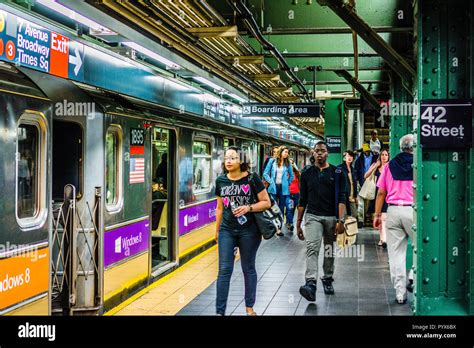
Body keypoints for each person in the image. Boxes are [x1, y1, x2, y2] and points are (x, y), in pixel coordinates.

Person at [214, 146, 271, 316]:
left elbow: (266, 202)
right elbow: (219, 208)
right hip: (227, 231)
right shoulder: (221, 181)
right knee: (224, 269)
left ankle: (249, 307)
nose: (229, 161)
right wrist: (217, 231)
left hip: (250, 231)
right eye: (226, 158)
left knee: (248, 268)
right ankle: (220, 311)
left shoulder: (252, 179)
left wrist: (249, 208)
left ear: (241, 161)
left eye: (233, 158)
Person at [297, 141, 347, 301]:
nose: (319, 153)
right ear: (313, 153)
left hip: (332, 217)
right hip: (312, 216)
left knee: (329, 249)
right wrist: (298, 223)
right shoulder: (306, 174)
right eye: (317, 151)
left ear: (328, 153)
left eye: (322, 151)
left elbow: (342, 198)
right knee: (312, 248)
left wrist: (341, 220)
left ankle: (327, 278)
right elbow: (302, 199)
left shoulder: (338, 172)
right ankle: (310, 283)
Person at [373, 134, 414, 304]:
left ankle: (400, 294)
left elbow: (381, 192)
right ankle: (413, 275)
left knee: (396, 255)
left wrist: (376, 215)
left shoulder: (389, 166)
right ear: (414, 147)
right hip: (413, 211)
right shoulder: (418, 165)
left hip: (393, 211)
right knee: (423, 248)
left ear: (400, 147)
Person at [263, 146, 294, 236]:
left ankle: (279, 228)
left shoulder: (287, 163)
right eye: (285, 152)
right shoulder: (272, 161)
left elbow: (291, 176)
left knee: (281, 208)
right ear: (281, 152)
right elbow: (265, 173)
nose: (287, 154)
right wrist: (270, 181)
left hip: (283, 189)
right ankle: (275, 227)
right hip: (273, 188)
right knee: (273, 208)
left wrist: (287, 183)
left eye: (287, 152)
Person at [366, 148, 389, 248]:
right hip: (376, 193)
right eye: (382, 155)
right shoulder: (376, 166)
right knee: (379, 216)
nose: (384, 157)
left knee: (384, 216)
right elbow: (366, 176)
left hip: (386, 193)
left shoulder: (389, 167)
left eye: (386, 155)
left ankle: (384, 239)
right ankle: (382, 238)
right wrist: (374, 166)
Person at [355, 143, 378, 226]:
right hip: (362, 180)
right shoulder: (359, 159)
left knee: (372, 198)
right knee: (361, 200)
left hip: (372, 180)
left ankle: (372, 219)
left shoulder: (375, 157)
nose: (367, 152)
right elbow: (356, 170)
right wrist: (357, 180)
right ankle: (362, 221)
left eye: (368, 151)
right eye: (365, 151)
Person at [340, 150, 358, 219]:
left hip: (352, 198)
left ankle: (350, 230)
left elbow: (354, 184)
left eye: (351, 156)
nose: (349, 158)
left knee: (354, 215)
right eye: (348, 156)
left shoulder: (353, 170)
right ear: (344, 158)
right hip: (344, 197)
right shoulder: (340, 168)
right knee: (343, 217)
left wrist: (355, 196)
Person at [287, 160, 300, 232]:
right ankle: (291, 224)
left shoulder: (297, 173)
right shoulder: (286, 173)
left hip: (296, 194)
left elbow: (300, 184)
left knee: (293, 209)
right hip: (289, 194)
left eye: (292, 164)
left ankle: (289, 221)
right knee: (290, 209)